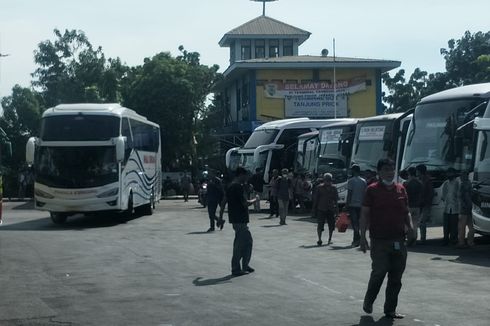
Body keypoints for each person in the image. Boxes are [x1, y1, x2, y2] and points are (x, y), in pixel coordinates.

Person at [360, 158, 413, 319]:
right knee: (379, 271)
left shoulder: (401, 189)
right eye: (386, 169)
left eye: (392, 169)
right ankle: (369, 301)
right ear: (379, 172)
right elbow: (365, 214)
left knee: (396, 276)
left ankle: (390, 309)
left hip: (398, 239)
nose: (390, 172)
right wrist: (362, 237)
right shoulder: (372, 190)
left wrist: (411, 227)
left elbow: (406, 211)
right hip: (379, 240)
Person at [218, 167, 257, 276]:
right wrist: (255, 200)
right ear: (241, 175)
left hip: (235, 219)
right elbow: (245, 203)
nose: (247, 178)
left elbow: (223, 202)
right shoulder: (237, 187)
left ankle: (244, 265)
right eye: (246, 176)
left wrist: (221, 217)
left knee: (246, 242)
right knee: (241, 244)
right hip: (240, 219)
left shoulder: (230, 186)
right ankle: (236, 268)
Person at [312, 173, 339, 246]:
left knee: (331, 225)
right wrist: (314, 209)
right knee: (320, 225)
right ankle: (319, 239)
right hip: (321, 208)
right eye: (326, 180)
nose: (328, 182)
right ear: (324, 180)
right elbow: (316, 199)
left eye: (329, 180)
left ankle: (329, 239)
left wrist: (337, 211)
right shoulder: (319, 188)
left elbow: (336, 200)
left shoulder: (334, 188)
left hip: (331, 209)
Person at [346, 164, 367, 247]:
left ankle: (356, 240)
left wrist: (347, 204)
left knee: (355, 223)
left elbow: (349, 194)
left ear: (354, 171)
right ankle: (360, 239)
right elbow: (365, 194)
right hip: (361, 205)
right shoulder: (364, 181)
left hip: (353, 205)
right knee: (359, 223)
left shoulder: (351, 181)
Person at [403, 167, 423, 245]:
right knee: (415, 224)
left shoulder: (406, 183)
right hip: (417, 206)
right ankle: (414, 240)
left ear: (409, 173)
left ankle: (409, 239)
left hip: (409, 206)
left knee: (407, 224)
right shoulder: (420, 183)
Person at [441, 167, 460, 245]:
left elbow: (459, 195)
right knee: (446, 226)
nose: (448, 174)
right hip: (446, 208)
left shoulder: (457, 183)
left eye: (450, 173)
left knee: (454, 226)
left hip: (455, 208)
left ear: (454, 174)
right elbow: (443, 195)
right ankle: (445, 240)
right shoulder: (446, 183)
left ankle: (453, 240)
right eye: (448, 173)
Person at [416, 164, 434, 244]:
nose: (416, 172)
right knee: (420, 222)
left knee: (422, 222)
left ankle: (423, 239)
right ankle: (422, 238)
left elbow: (430, 193)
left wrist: (426, 202)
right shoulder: (419, 179)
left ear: (420, 171)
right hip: (419, 204)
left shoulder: (427, 180)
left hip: (425, 204)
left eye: (417, 171)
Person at [458, 171, 474, 248]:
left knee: (462, 227)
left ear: (465, 176)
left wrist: (463, 205)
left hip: (464, 209)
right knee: (471, 227)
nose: (460, 177)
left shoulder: (463, 185)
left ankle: (461, 243)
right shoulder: (470, 184)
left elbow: (460, 197)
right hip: (470, 208)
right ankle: (470, 242)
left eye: (462, 175)